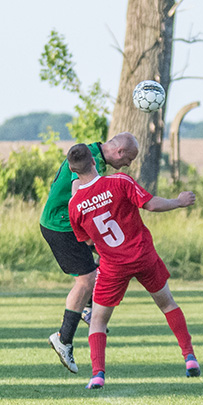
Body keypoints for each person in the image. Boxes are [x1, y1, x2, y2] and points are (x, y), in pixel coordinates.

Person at [66, 143, 200, 389]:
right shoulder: (119, 181)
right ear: (94, 162)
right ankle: (189, 357)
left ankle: (98, 375)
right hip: (143, 256)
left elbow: (86, 240)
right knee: (167, 303)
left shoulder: (74, 206)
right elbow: (150, 204)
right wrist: (179, 202)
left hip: (113, 266)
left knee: (98, 321)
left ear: (73, 171)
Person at [40, 133, 139, 374]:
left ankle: (87, 308)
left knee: (105, 261)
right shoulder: (90, 158)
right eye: (129, 159)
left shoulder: (94, 154)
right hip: (61, 225)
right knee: (86, 280)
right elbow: (77, 187)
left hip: (68, 223)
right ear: (119, 152)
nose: (129, 164)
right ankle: (63, 339)